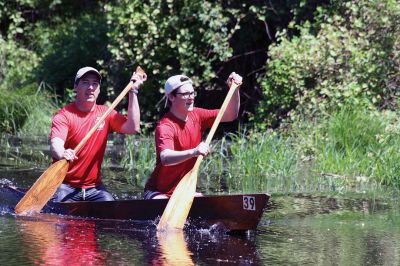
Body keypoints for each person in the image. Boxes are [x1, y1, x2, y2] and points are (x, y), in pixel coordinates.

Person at [50, 66, 146, 202]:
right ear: (76, 87)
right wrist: (63, 153)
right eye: (85, 82)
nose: (90, 87)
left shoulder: (106, 113)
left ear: (99, 89)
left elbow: (133, 127)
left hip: (94, 188)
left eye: (95, 84)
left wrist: (133, 92)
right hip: (65, 186)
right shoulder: (64, 116)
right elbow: (55, 145)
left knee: (112, 213)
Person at [144, 72, 242, 199]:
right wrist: (194, 152)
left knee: (202, 202)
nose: (191, 97)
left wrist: (235, 89)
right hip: (158, 192)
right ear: (171, 97)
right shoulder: (165, 126)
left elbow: (230, 115)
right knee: (162, 201)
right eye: (185, 94)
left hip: (184, 190)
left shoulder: (198, 115)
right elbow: (165, 158)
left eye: (192, 93)